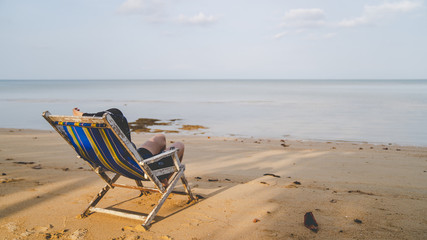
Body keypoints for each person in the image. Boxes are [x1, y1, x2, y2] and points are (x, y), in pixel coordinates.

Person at [73, 107, 184, 187]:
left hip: (125, 161)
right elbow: (113, 115)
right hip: (140, 166)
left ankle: (163, 178)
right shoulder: (116, 129)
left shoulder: (99, 144)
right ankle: (162, 182)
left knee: (160, 137)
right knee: (179, 145)